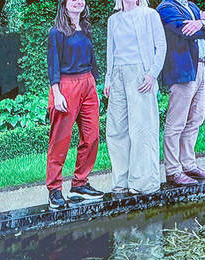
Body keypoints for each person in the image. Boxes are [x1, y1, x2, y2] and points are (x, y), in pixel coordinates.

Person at [46, 0, 105, 210]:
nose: (78, 2)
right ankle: (54, 190)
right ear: (64, 3)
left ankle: (80, 184)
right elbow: (52, 63)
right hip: (66, 85)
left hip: (87, 82)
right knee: (60, 140)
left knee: (91, 136)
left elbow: (92, 60)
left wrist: (95, 84)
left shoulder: (86, 28)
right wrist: (56, 92)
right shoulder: (57, 32)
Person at [104, 0, 167, 195]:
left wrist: (152, 74)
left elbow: (161, 46)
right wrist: (108, 79)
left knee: (142, 129)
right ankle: (121, 181)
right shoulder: (113, 20)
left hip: (141, 74)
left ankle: (143, 183)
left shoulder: (150, 15)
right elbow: (110, 51)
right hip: (117, 76)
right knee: (116, 130)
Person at [157, 0, 205, 185]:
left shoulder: (191, 6)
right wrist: (201, 24)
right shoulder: (166, 8)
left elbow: (198, 29)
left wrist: (201, 23)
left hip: (200, 68)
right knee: (176, 122)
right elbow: (184, 32)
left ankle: (188, 164)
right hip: (182, 70)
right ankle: (173, 170)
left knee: (195, 119)